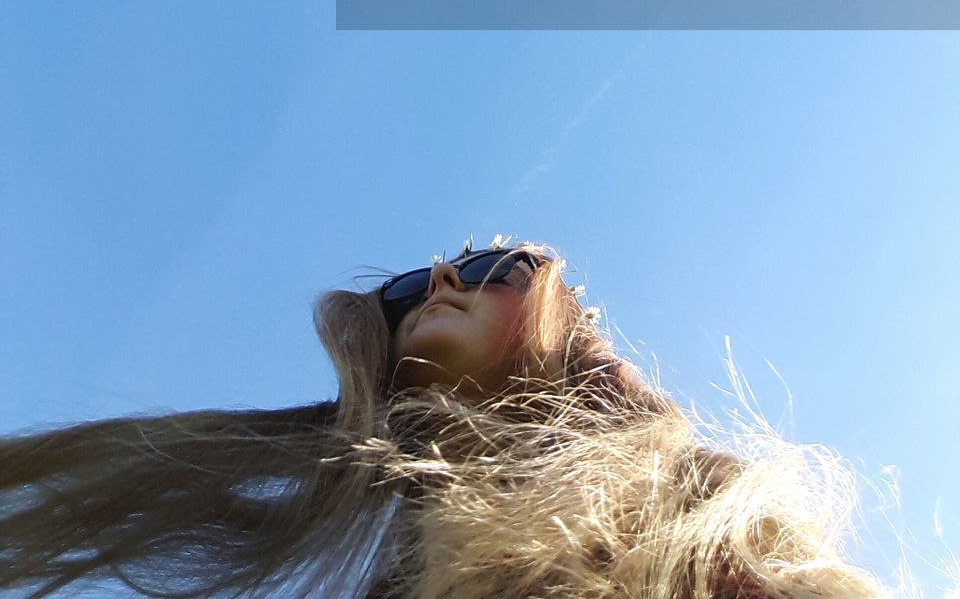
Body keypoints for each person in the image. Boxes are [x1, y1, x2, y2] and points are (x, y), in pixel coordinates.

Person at [1, 238, 887, 599]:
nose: (441, 282)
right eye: (402, 291)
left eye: (493, 263)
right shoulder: (409, 571)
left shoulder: (700, 507)